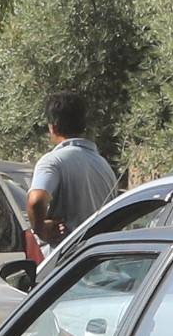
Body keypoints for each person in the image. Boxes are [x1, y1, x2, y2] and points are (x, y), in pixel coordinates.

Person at [24, 92, 120, 246]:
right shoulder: (103, 165)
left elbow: (36, 200)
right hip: (97, 258)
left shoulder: (52, 161)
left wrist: (41, 230)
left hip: (65, 260)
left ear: (53, 127)